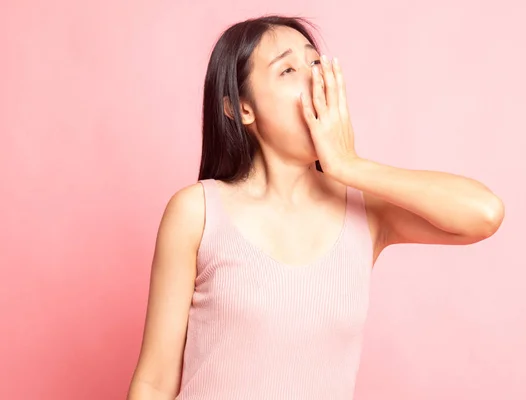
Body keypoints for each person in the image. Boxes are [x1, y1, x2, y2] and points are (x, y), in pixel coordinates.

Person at [127, 15, 504, 400]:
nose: (314, 79)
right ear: (241, 109)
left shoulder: (365, 212)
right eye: (288, 69)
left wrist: (350, 165)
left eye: (315, 63)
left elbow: (483, 214)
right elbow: (154, 382)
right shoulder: (197, 212)